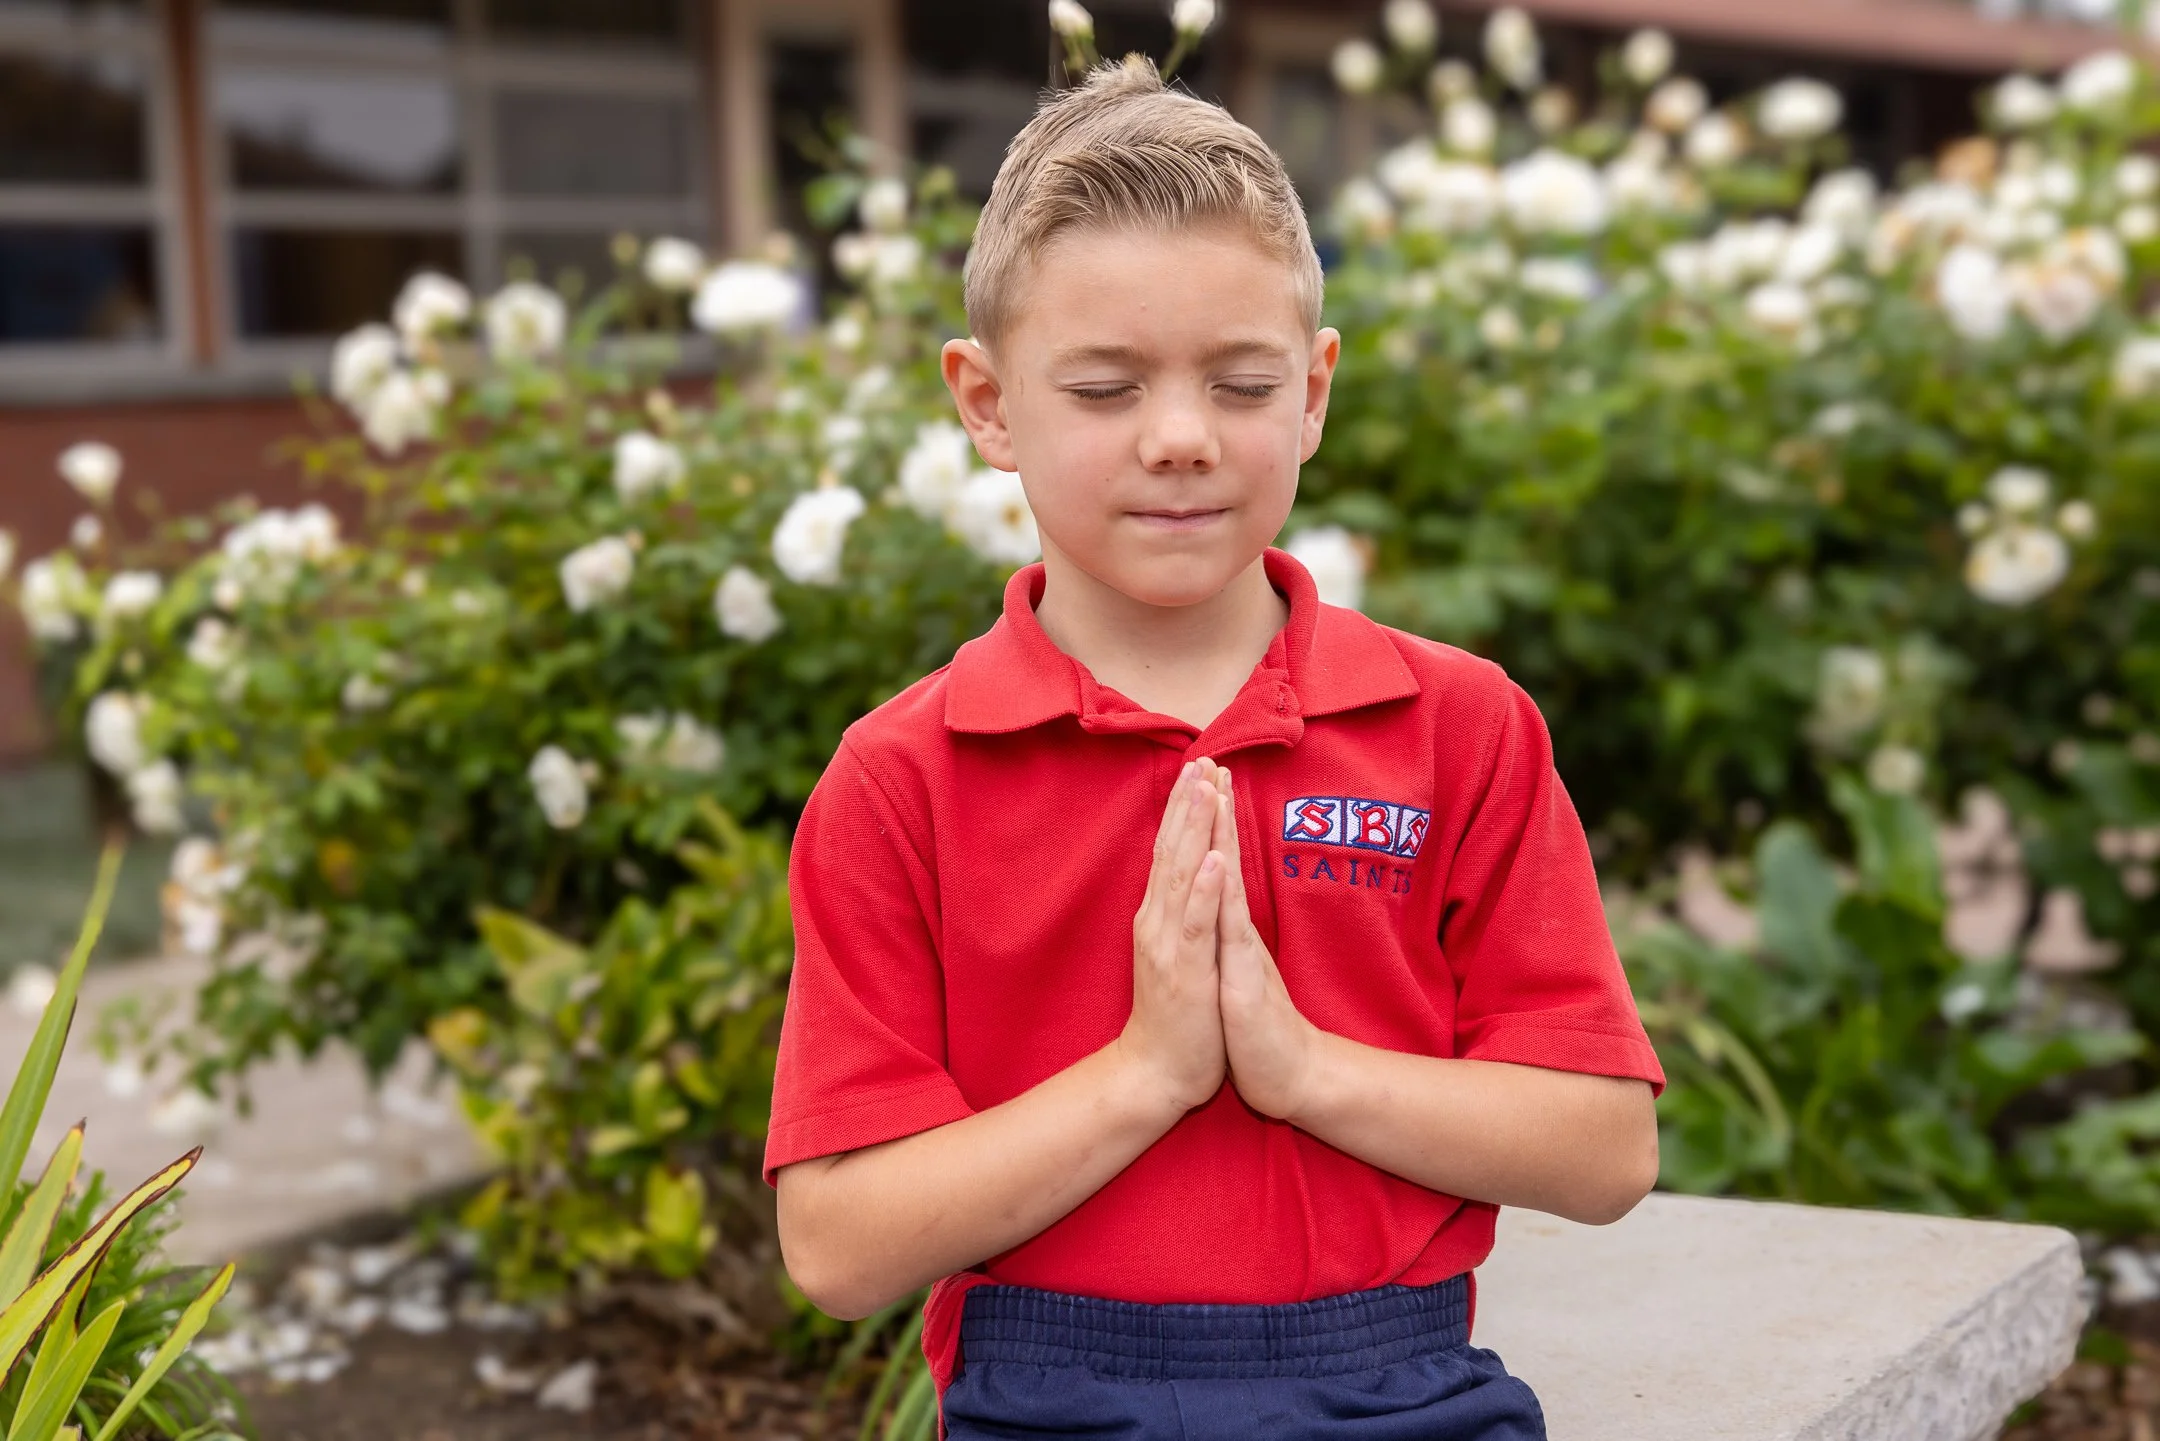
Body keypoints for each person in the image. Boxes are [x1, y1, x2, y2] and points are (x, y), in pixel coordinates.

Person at [765, 57, 1665, 1440]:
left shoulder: (1456, 728)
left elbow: (1605, 1150)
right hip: (1045, 1394)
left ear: (1312, 393)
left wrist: (1300, 1072)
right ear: (989, 405)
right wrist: (1148, 1074)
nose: (1181, 440)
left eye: (1241, 385)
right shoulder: (904, 780)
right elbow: (837, 1245)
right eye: (1107, 388)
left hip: (1402, 1386)